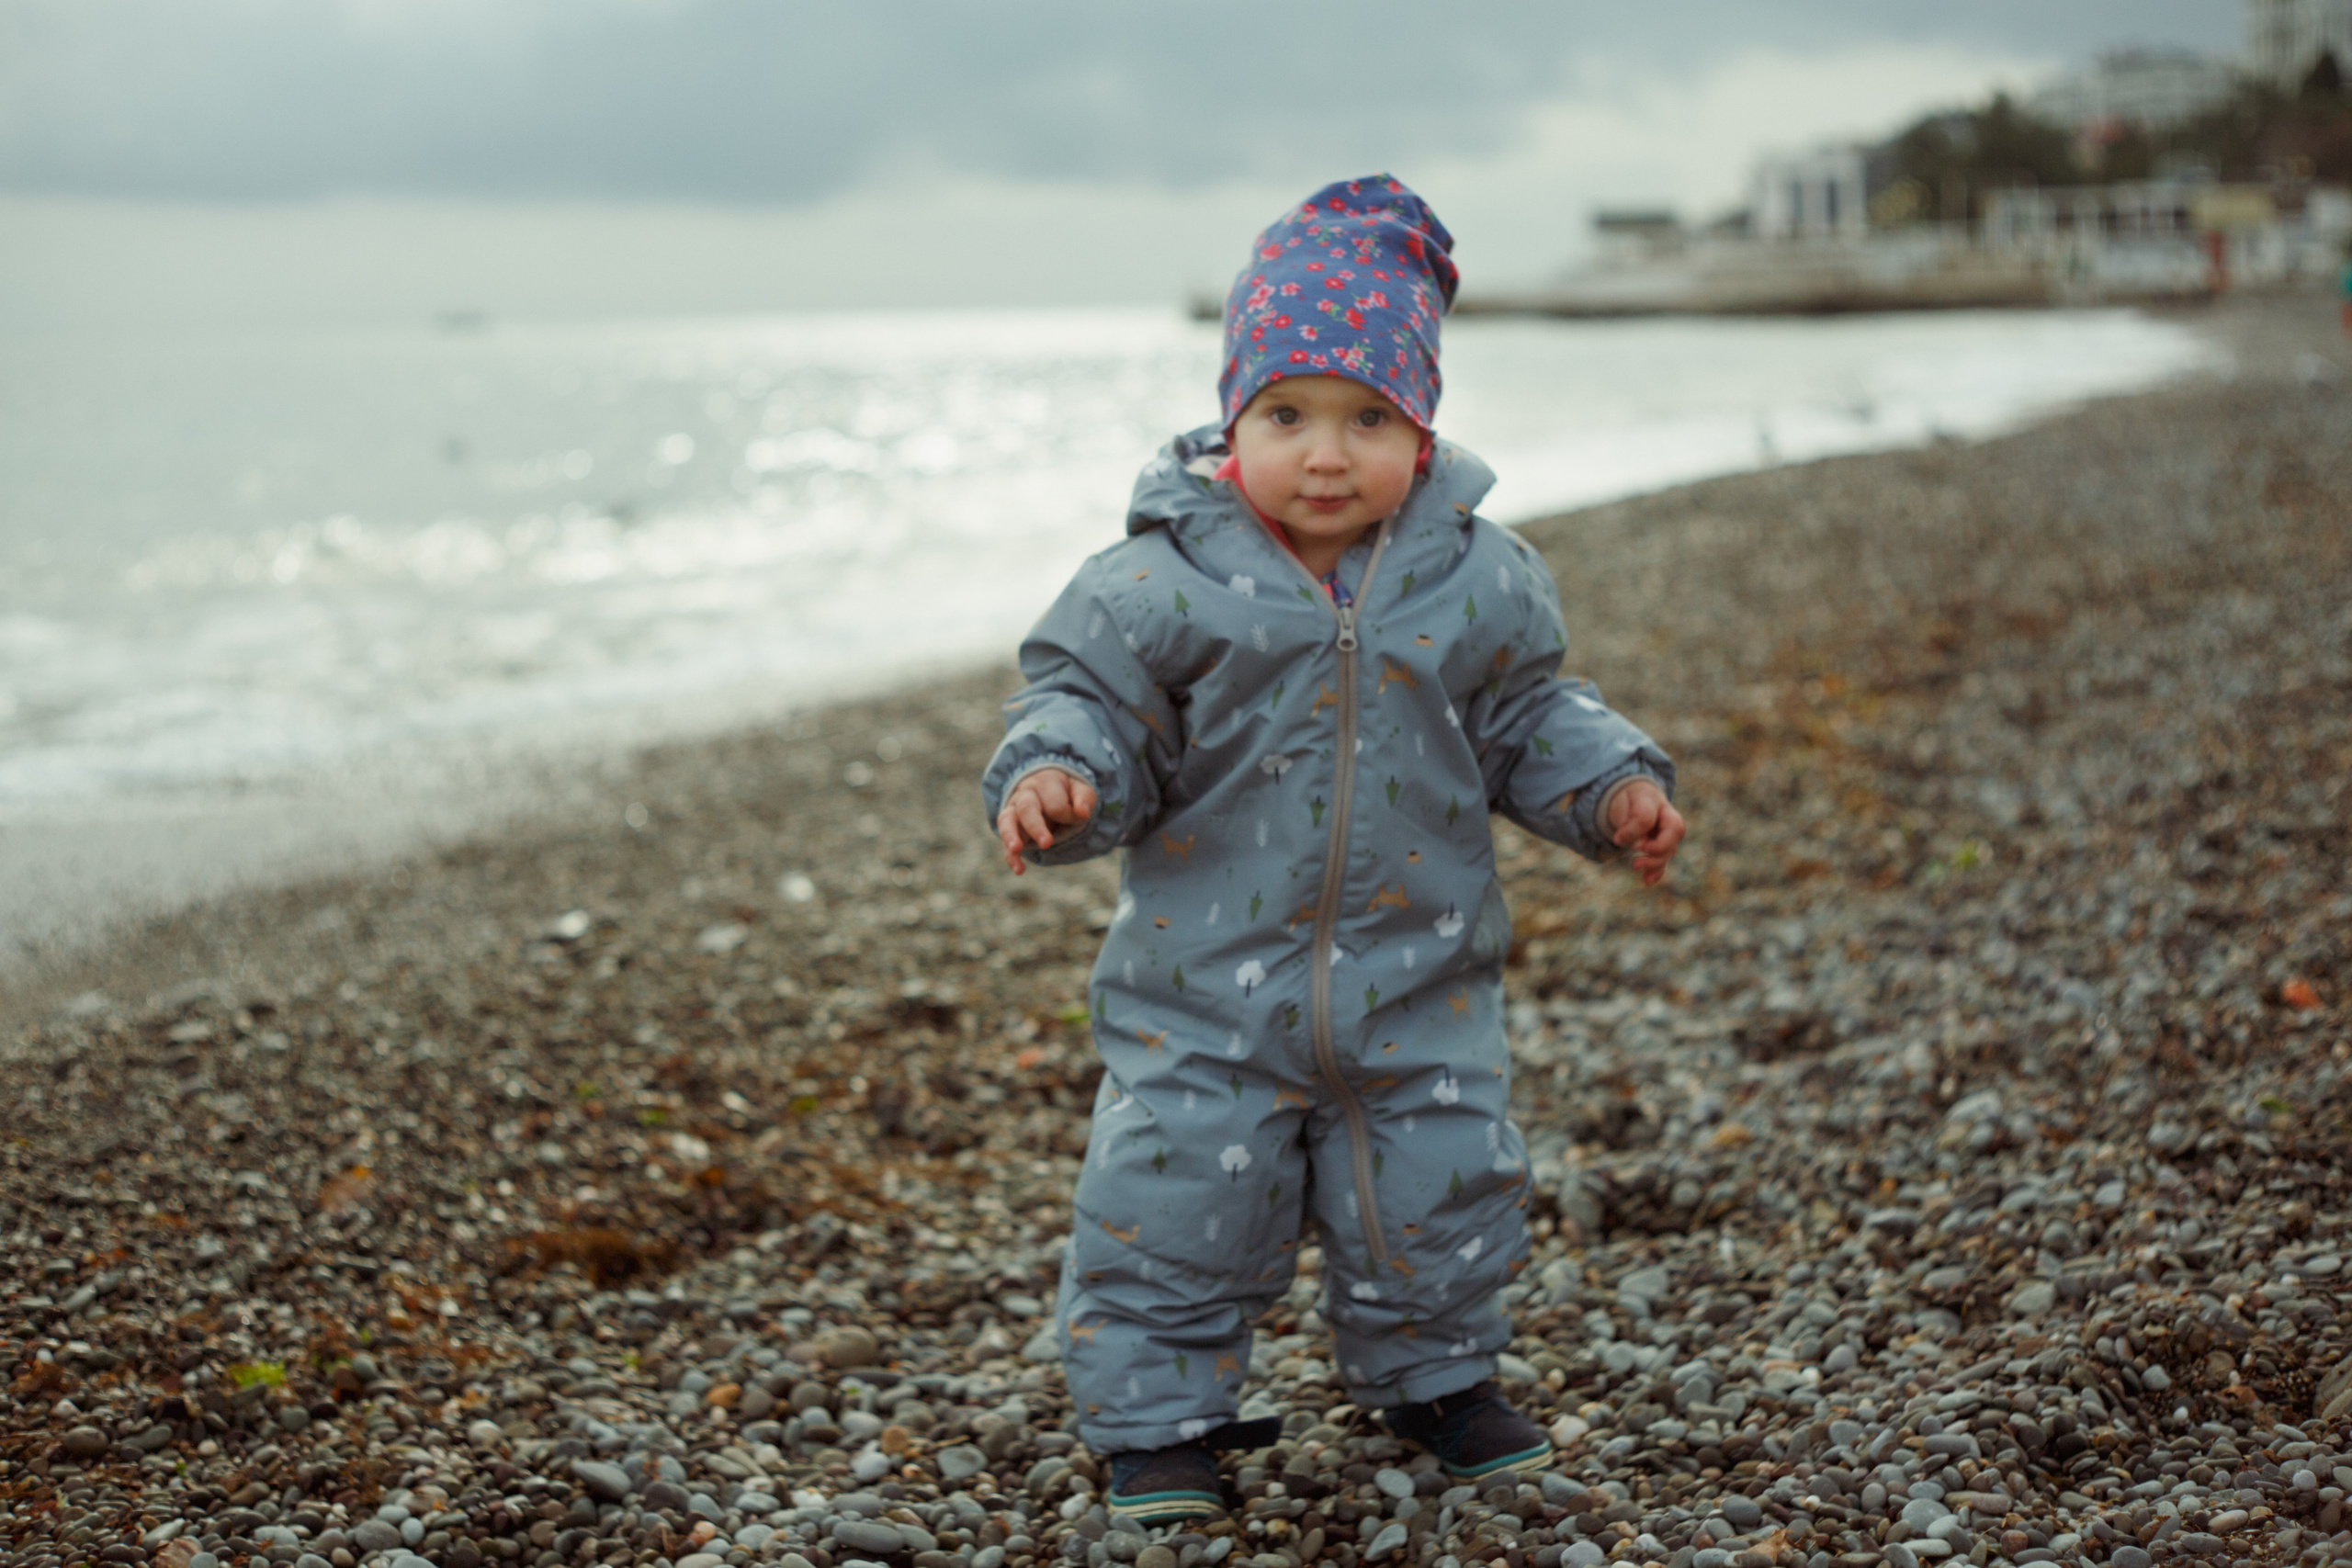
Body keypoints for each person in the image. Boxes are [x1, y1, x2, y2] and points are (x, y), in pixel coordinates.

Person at [981, 175, 1685, 1525]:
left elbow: (1529, 712)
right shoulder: (1153, 585)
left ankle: (1436, 1377)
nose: (1325, 452)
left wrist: (1609, 790)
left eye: (1371, 418)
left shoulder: (1479, 578)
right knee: (1171, 1197)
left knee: (1438, 1185)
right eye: (1287, 414)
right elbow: (1084, 704)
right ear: (1230, 421)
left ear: (1423, 433)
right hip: (1204, 992)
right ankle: (1160, 1423)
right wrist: (1061, 776)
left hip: (1417, 981)